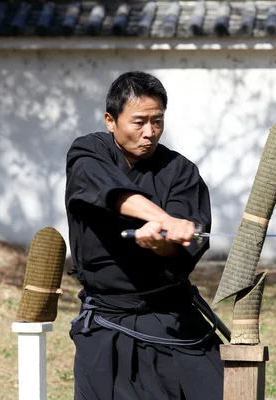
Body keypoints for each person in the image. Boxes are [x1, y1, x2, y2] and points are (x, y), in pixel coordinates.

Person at [65, 71, 224, 400]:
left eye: (157, 121)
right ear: (111, 120)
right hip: (108, 320)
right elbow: (109, 191)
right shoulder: (89, 153)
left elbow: (185, 244)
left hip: (171, 316)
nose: (149, 133)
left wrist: (163, 242)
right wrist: (163, 219)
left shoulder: (180, 171)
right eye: (139, 122)